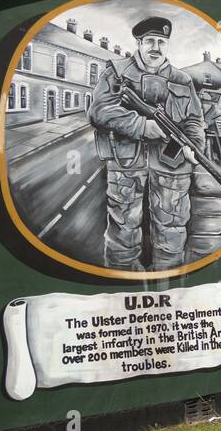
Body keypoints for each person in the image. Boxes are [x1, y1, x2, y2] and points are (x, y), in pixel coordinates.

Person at [88, 16, 205, 271]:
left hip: (172, 166)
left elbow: (195, 119)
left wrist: (194, 144)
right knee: (122, 229)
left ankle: (169, 282)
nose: (156, 47)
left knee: (172, 228)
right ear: (139, 43)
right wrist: (143, 126)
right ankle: (120, 283)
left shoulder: (183, 80)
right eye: (149, 41)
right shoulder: (117, 73)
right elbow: (99, 111)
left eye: (161, 42)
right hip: (126, 162)